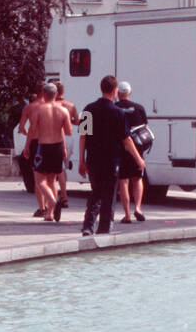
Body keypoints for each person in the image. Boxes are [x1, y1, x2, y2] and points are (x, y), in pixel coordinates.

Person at [77, 75, 145, 237]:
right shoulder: (118, 112)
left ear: (101, 89)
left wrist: (81, 160)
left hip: (93, 159)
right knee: (109, 195)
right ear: (115, 91)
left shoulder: (88, 109)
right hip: (111, 160)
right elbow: (126, 139)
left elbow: (83, 136)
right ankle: (105, 228)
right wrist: (138, 158)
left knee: (96, 192)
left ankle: (88, 226)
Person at [21, 82, 71, 222]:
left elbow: (32, 130)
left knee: (40, 181)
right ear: (56, 94)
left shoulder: (39, 110)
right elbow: (68, 131)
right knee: (52, 180)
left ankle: (54, 203)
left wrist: (27, 146)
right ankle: (50, 214)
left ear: (43, 93)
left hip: (43, 146)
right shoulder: (64, 110)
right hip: (58, 146)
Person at [115, 81, 148, 223]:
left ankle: (127, 214)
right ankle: (138, 208)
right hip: (137, 149)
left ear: (118, 93)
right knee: (137, 179)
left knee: (123, 181)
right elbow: (145, 127)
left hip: (121, 150)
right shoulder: (139, 108)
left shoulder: (114, 108)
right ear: (130, 93)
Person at [53, 81, 78, 211]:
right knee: (63, 168)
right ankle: (63, 195)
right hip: (70, 139)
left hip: (58, 137)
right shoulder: (71, 105)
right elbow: (78, 121)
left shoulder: (53, 105)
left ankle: (64, 197)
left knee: (60, 169)